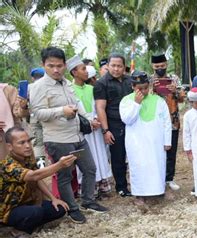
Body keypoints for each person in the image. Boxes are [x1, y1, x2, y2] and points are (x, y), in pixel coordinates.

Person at [30, 47, 108, 224]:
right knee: (66, 175)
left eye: (59, 65)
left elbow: (77, 105)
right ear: (43, 65)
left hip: (77, 136)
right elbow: (38, 113)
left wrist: (88, 119)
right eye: (51, 66)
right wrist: (61, 111)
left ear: (65, 65)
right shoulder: (38, 87)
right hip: (58, 140)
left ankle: (88, 201)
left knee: (89, 168)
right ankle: (73, 209)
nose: (56, 70)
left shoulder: (66, 83)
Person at [0, 127, 75, 236]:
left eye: (28, 141)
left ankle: (31, 222)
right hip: (7, 211)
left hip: (28, 204)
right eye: (21, 143)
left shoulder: (28, 159)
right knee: (36, 212)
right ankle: (18, 230)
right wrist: (59, 165)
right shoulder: (7, 165)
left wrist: (53, 198)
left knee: (60, 208)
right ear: (10, 147)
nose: (27, 145)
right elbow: (34, 176)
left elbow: (38, 179)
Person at [120, 71, 172, 205]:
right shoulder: (126, 100)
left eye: (145, 88)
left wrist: (167, 141)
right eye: (139, 88)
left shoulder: (159, 100)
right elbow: (127, 120)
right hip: (136, 143)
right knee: (139, 166)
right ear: (132, 87)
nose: (143, 91)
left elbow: (167, 122)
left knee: (157, 166)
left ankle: (159, 190)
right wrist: (136, 103)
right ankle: (139, 195)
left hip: (156, 142)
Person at [68, 55, 112, 196]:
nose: (86, 71)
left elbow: (97, 106)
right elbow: (73, 110)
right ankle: (89, 190)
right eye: (83, 69)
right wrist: (88, 121)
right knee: (87, 159)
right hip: (81, 129)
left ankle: (102, 186)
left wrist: (96, 119)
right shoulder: (69, 90)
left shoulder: (91, 88)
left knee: (101, 154)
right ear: (74, 72)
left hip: (96, 126)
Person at [94, 53, 133, 197]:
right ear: (108, 66)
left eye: (119, 66)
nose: (116, 69)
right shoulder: (101, 83)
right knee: (118, 157)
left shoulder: (130, 81)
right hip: (114, 125)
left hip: (132, 123)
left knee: (134, 154)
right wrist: (106, 131)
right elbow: (100, 108)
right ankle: (122, 187)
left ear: (124, 67)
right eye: (113, 66)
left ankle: (136, 183)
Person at [150, 54, 185, 191]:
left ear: (166, 64)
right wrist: (152, 90)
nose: (160, 69)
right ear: (152, 66)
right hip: (154, 122)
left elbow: (182, 98)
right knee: (156, 152)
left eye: (162, 66)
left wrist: (175, 90)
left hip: (173, 121)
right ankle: (157, 179)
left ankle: (169, 179)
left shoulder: (174, 78)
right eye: (157, 66)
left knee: (171, 151)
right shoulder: (149, 79)